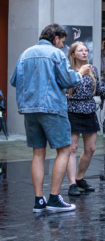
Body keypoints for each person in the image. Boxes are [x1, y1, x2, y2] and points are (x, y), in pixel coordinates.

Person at [10, 24, 89, 212]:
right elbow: (68, 80)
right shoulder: (55, 54)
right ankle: (54, 198)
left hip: (29, 109)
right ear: (55, 39)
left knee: (38, 152)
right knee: (64, 149)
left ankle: (39, 201)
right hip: (53, 108)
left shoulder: (25, 53)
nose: (62, 45)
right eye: (62, 41)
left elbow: (14, 80)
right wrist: (80, 74)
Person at [65, 41, 105, 196]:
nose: (84, 53)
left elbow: (97, 90)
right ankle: (71, 184)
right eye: (80, 50)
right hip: (73, 109)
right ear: (73, 54)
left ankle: (80, 177)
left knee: (91, 148)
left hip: (89, 109)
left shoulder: (92, 69)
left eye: (86, 50)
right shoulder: (68, 70)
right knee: (72, 148)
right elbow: (66, 89)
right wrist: (79, 73)